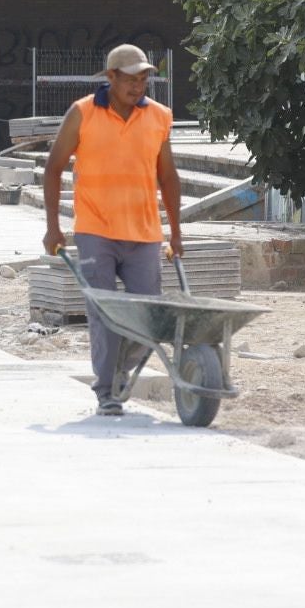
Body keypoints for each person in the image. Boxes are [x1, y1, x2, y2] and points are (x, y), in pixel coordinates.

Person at [42, 44, 182, 417]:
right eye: (130, 79)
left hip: (144, 232)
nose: (138, 87)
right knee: (103, 313)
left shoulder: (159, 117)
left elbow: (167, 176)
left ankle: (118, 366)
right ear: (111, 78)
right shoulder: (82, 113)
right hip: (95, 230)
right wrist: (53, 227)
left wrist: (177, 232)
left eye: (144, 79)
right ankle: (106, 389)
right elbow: (54, 167)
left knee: (148, 315)